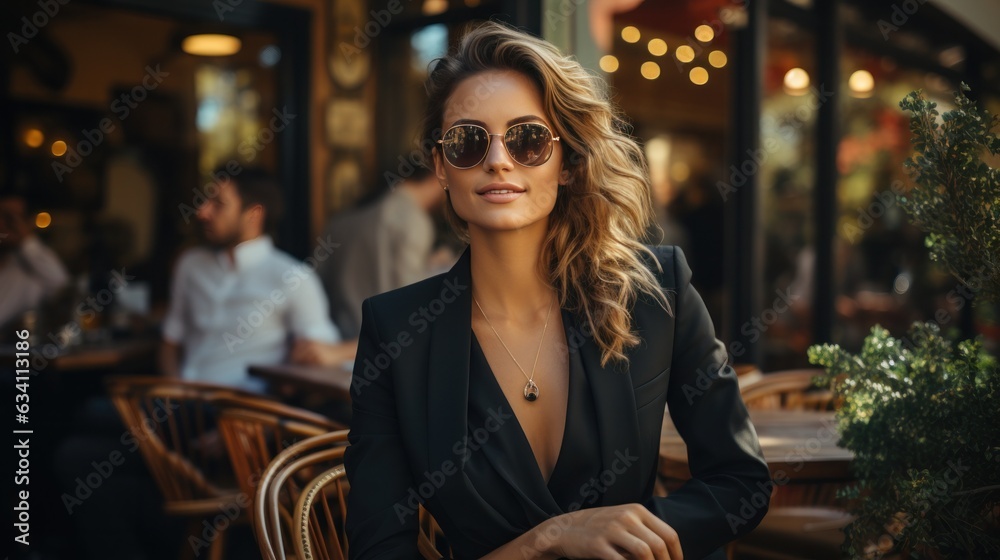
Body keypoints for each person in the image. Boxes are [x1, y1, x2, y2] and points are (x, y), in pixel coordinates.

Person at [344, 22, 770, 560]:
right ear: (441, 167)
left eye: (526, 140)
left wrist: (634, 533)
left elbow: (740, 481)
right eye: (469, 141)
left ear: (567, 161)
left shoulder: (657, 291)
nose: (498, 160)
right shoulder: (394, 330)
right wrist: (547, 542)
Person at [160, 168, 357, 392]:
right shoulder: (190, 264)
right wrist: (174, 392)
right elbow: (170, 341)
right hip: (178, 402)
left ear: (253, 214)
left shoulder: (292, 277)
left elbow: (321, 351)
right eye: (205, 200)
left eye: (218, 204)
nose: (202, 212)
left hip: (240, 412)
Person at [317, 165, 446, 339]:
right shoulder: (412, 220)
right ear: (436, 175)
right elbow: (413, 298)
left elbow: (319, 282)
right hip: (386, 347)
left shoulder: (343, 218)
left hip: (339, 342)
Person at [0, 192, 69, 327]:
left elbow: (61, 283)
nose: (5, 225)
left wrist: (26, 241)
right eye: (2, 216)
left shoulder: (29, 271)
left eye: (12, 219)